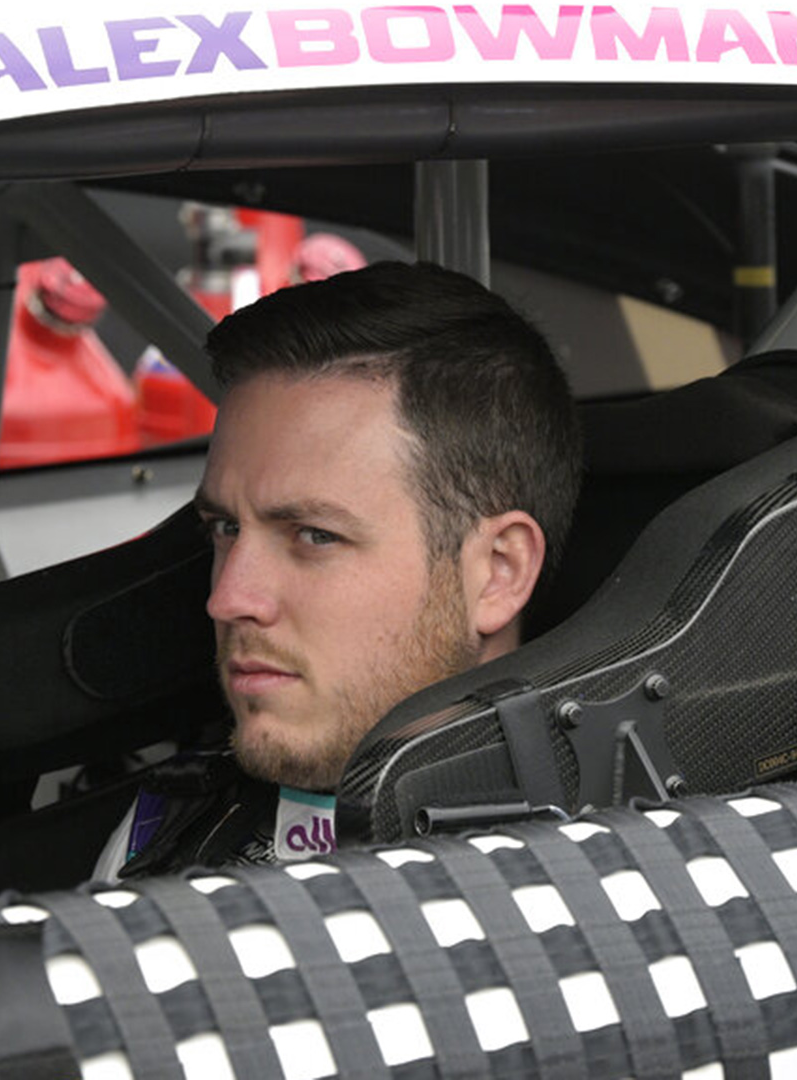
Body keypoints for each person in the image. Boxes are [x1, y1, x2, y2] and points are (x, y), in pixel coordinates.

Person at [92, 260, 582, 879]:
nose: (228, 598)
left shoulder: (601, 876)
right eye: (225, 528)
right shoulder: (169, 829)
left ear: (497, 573)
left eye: (314, 535)